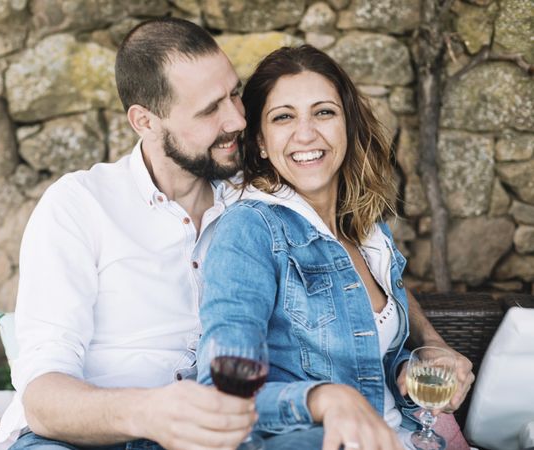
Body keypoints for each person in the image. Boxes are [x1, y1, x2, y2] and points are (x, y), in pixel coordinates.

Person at [0, 18, 472, 450]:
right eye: (209, 110)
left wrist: (431, 346)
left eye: (234, 94)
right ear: (145, 121)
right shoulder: (80, 205)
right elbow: (44, 397)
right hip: (85, 438)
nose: (237, 120)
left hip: (215, 434)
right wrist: (151, 412)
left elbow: (366, 268)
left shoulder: (259, 194)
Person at [197, 44, 473, 450]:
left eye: (324, 112)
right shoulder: (249, 230)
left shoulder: (366, 229)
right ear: (259, 140)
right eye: (283, 117)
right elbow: (223, 394)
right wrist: (325, 399)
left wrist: (425, 357)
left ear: (348, 125)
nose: (306, 134)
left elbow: (363, 351)